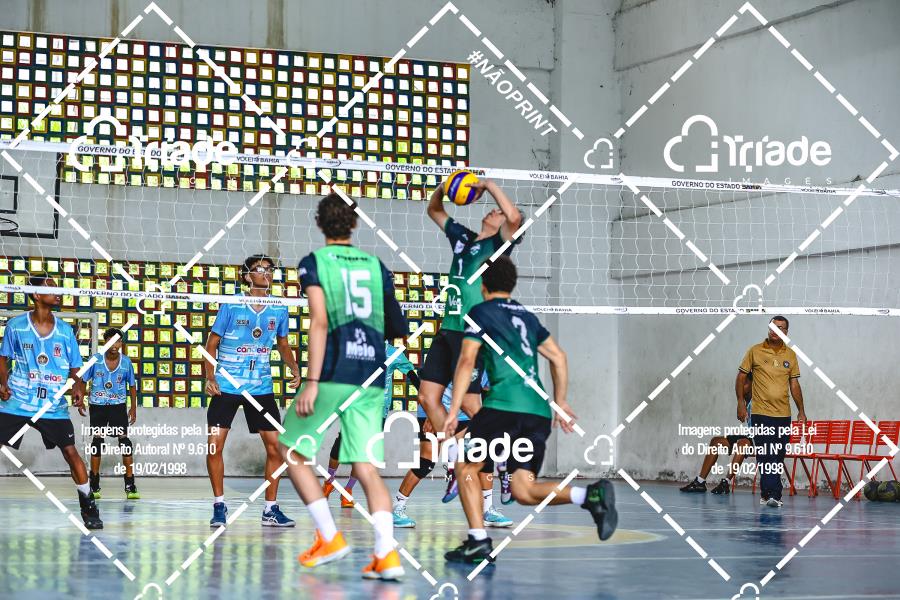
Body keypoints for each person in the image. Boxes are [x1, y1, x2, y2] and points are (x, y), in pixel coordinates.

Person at [443, 257, 617, 564]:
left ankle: (478, 542)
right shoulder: (526, 315)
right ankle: (589, 496)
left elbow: (467, 361)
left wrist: (453, 409)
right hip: (537, 412)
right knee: (523, 490)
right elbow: (558, 357)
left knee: (466, 467)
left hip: (502, 408)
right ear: (511, 285)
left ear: (483, 286)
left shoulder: (480, 312)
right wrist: (560, 401)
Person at [278, 192, 409, 580]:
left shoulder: (314, 262)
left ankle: (330, 537)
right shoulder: (376, 266)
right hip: (371, 374)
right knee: (366, 468)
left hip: (334, 370)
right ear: (354, 224)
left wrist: (311, 381)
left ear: (319, 224)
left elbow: (319, 321)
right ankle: (386, 556)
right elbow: (397, 327)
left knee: (291, 450)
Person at [417, 177, 521, 438]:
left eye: (499, 212)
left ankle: (503, 451)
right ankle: (455, 451)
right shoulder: (463, 238)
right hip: (448, 328)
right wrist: (444, 187)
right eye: (495, 209)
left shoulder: (497, 247)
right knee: (427, 397)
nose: (494, 210)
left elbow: (515, 217)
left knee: (469, 402)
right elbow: (434, 210)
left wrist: (488, 185)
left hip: (472, 331)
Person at [204, 254, 302, 528]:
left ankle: (270, 509)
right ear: (247, 276)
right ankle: (219, 505)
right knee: (214, 446)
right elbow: (211, 344)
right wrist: (210, 376)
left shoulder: (278, 307)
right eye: (260, 269)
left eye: (270, 270)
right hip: (227, 385)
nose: (266, 273)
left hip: (260, 387)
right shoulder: (232, 304)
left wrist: (294, 367)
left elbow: (283, 344)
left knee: (277, 448)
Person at [0, 275, 102, 529]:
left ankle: (88, 505)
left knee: (71, 452)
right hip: (18, 400)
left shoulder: (65, 331)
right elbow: (3, 358)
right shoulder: (16, 326)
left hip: (52, 404)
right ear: (36, 295)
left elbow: (76, 367)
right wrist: (2, 383)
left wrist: (78, 388)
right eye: (51, 289)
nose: (58, 293)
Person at [392, 373, 515, 529]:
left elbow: (485, 391)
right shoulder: (445, 359)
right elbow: (427, 389)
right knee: (426, 462)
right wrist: (430, 414)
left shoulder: (484, 364)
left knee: (482, 453)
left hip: (463, 414)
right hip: (435, 410)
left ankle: (487, 510)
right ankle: (397, 507)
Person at [322, 341, 419, 509]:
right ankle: (329, 482)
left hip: (378, 410)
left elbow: (411, 373)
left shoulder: (393, 353)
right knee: (341, 444)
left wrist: (424, 394)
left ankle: (348, 491)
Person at [736, 316, 807, 508]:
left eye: (781, 328)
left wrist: (801, 411)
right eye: (773, 327)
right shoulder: (755, 351)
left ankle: (766, 493)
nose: (776, 330)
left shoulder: (790, 355)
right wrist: (741, 403)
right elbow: (741, 377)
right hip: (761, 413)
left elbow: (794, 384)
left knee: (777, 456)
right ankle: (775, 495)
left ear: (786, 332)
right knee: (767, 453)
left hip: (783, 415)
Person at [82, 327, 140, 500]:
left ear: (121, 343)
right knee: (97, 442)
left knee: (125, 441)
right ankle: (94, 485)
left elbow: (132, 385)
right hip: (98, 405)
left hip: (117, 406)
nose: (114, 345)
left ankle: (130, 485)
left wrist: (133, 407)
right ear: (105, 342)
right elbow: (83, 380)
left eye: (118, 341)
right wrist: (80, 399)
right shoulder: (95, 360)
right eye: (111, 341)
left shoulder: (126, 362)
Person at [680, 372, 753, 495]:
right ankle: (700, 482)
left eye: (745, 383)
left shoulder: (759, 401)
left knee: (743, 443)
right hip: (751, 436)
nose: (741, 386)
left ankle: (726, 483)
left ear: (753, 385)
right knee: (716, 441)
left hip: (762, 438)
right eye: (740, 384)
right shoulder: (744, 401)